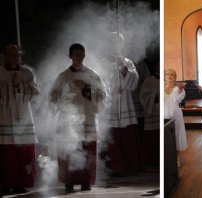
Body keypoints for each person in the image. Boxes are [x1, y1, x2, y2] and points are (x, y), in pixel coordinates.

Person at [49, 43, 106, 193]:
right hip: (69, 121)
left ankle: (86, 182)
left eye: (82, 54)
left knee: (87, 151)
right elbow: (53, 96)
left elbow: (102, 96)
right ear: (70, 56)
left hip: (87, 119)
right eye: (76, 54)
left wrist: (86, 89)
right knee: (68, 150)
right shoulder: (63, 76)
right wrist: (57, 97)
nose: (79, 57)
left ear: (84, 56)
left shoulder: (93, 75)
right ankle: (69, 182)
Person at [0, 44, 40, 194]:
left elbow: (35, 93)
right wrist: (10, 87)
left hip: (23, 117)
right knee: (7, 156)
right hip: (4, 117)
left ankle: (21, 184)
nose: (15, 58)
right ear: (5, 56)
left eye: (17, 55)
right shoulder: (0, 72)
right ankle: (7, 184)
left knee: (24, 154)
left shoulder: (27, 72)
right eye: (11, 55)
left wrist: (19, 86)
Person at [100, 32, 142, 174]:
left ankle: (129, 166)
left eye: (118, 42)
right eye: (112, 42)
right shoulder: (103, 62)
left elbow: (134, 82)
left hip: (125, 101)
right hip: (110, 102)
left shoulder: (127, 62)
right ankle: (112, 168)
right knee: (111, 135)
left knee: (126, 135)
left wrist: (123, 68)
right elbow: (98, 82)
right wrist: (111, 89)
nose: (115, 45)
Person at [164, 69, 187, 168]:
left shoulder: (178, 89)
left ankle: (176, 158)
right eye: (167, 74)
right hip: (164, 115)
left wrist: (181, 90)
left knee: (176, 137)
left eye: (172, 75)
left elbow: (179, 97)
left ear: (175, 78)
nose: (169, 76)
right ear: (164, 76)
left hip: (176, 116)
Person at [139, 61, 160, 168]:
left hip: (163, 112)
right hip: (152, 111)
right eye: (159, 65)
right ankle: (149, 161)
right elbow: (143, 96)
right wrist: (154, 97)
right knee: (151, 138)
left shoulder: (166, 81)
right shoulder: (149, 80)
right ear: (155, 67)